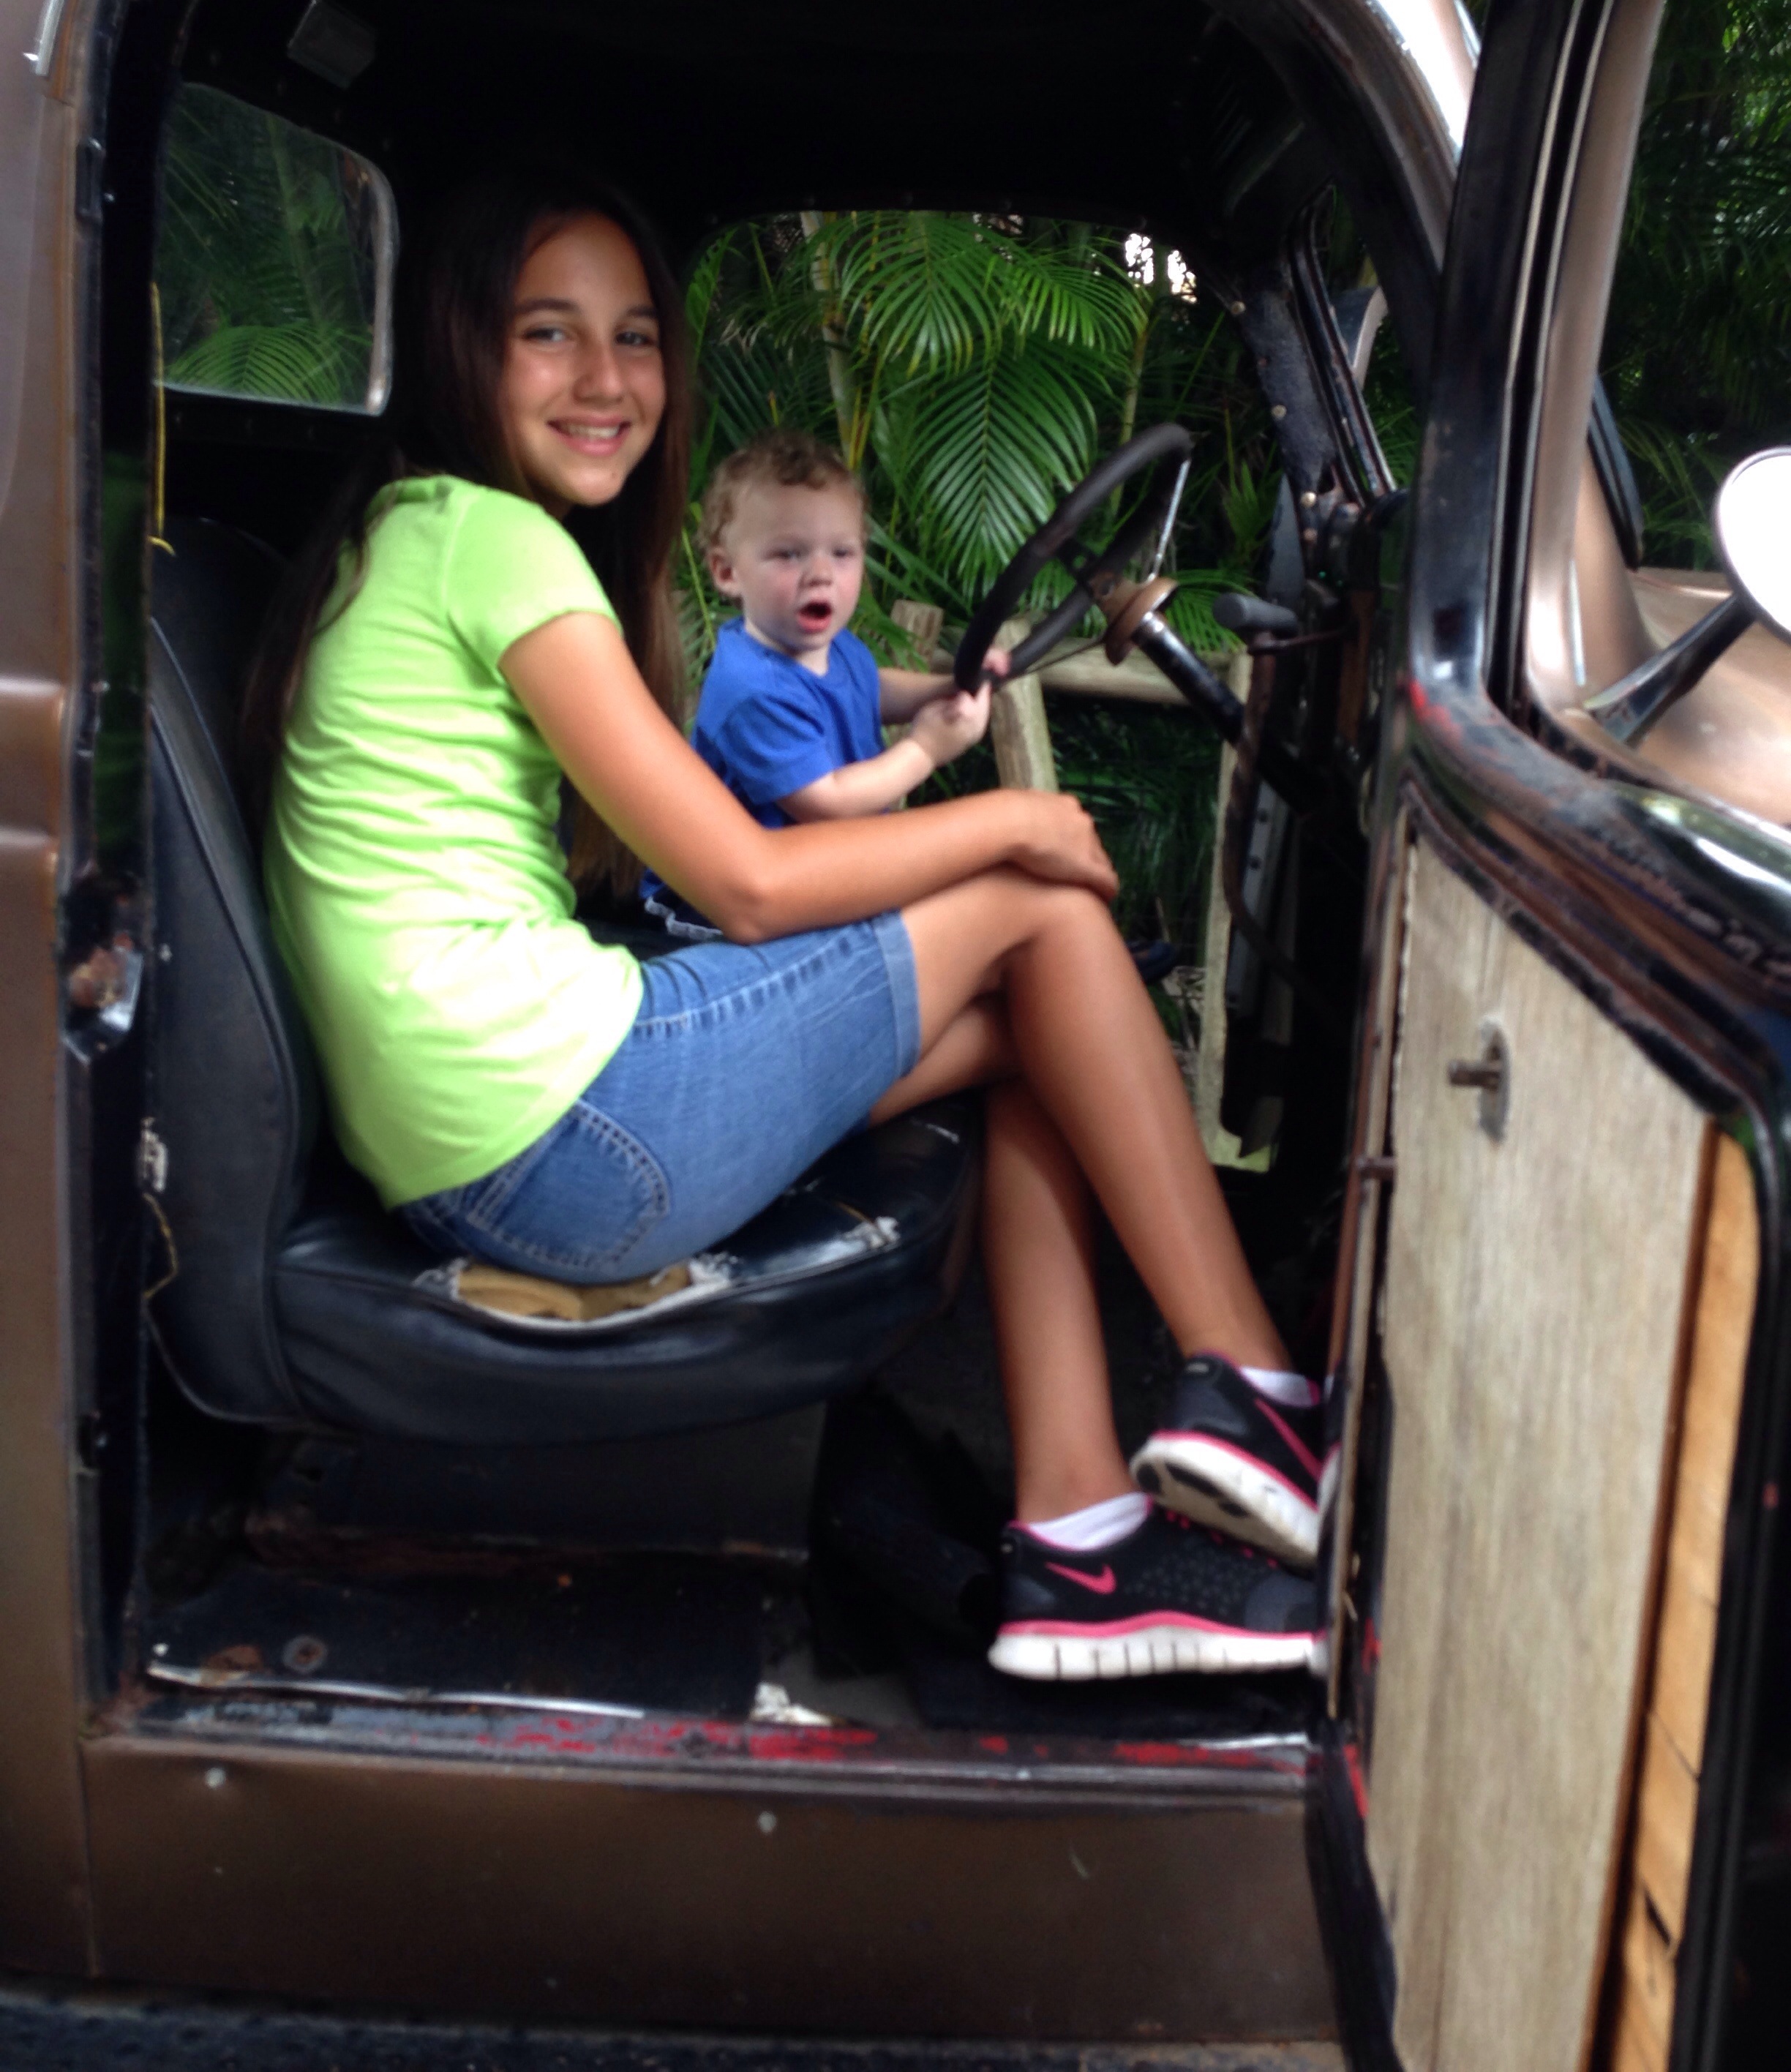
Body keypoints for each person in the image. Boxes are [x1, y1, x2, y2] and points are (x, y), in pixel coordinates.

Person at [249, 170, 1323, 1684]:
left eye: (634, 336)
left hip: (485, 1144)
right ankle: (1257, 1392)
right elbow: (750, 880)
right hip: (564, 1130)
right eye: (548, 333)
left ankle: (1078, 1538)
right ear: (459, 344)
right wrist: (1017, 821)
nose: (605, 379)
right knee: (1040, 909)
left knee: (1030, 1023)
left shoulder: (412, 529)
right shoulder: (494, 543)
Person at [639, 429, 1001, 939]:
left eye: (842, 553)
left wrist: (946, 687)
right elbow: (826, 803)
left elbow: (870, 690)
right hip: (729, 901)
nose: (821, 574)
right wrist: (926, 750)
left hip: (820, 866)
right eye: (789, 554)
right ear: (727, 572)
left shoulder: (832, 644)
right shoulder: (753, 689)